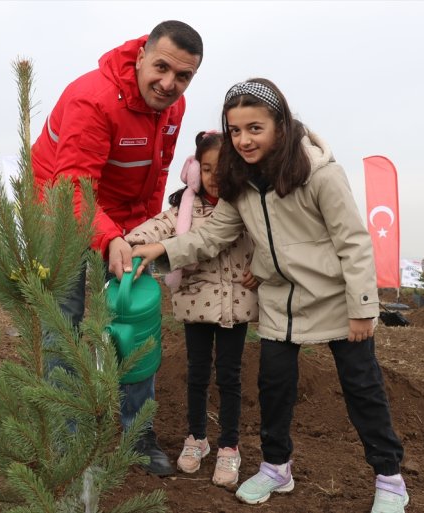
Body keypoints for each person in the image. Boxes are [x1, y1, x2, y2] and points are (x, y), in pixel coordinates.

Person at [132, 78, 408, 512]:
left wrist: (363, 308)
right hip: (280, 302)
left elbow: (354, 242)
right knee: (273, 387)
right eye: (236, 130)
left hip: (336, 300)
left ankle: (389, 479)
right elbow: (212, 235)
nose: (243, 139)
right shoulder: (240, 183)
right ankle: (277, 468)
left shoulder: (320, 174)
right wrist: (162, 249)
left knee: (362, 388)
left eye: (254, 128)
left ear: (280, 123)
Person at [31, 20, 204, 477]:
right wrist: (108, 238)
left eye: (183, 76)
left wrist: (141, 235)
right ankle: (67, 439)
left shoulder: (173, 107)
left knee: (138, 320)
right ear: (141, 55)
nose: (169, 84)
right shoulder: (95, 99)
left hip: (123, 216)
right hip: (60, 208)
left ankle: (137, 433)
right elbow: (72, 185)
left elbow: (155, 175)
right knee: (63, 324)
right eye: (162, 67)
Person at [124, 131, 259, 488]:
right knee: (197, 374)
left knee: (229, 377)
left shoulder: (247, 207)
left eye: (223, 168)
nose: (215, 176)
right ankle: (196, 438)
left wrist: (262, 270)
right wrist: (125, 244)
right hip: (195, 304)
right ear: (197, 172)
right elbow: (155, 229)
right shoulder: (184, 209)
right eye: (208, 168)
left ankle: (229, 446)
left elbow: (269, 240)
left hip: (236, 307)